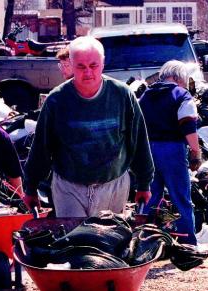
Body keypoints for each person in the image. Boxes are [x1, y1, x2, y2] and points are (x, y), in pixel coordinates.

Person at [23, 36, 154, 217]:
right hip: (70, 187)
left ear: (103, 63)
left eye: (93, 66)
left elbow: (139, 141)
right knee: (76, 242)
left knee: (108, 242)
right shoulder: (57, 100)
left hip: (113, 185)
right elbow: (41, 148)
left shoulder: (122, 95)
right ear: (71, 64)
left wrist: (144, 182)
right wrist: (31, 187)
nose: (88, 73)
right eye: (81, 67)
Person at [139, 60, 201, 245]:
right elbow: (188, 126)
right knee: (181, 197)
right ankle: (188, 244)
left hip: (147, 150)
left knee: (151, 197)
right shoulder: (181, 95)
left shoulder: (145, 95)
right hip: (172, 150)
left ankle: (144, 242)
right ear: (178, 77)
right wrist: (196, 151)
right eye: (184, 79)